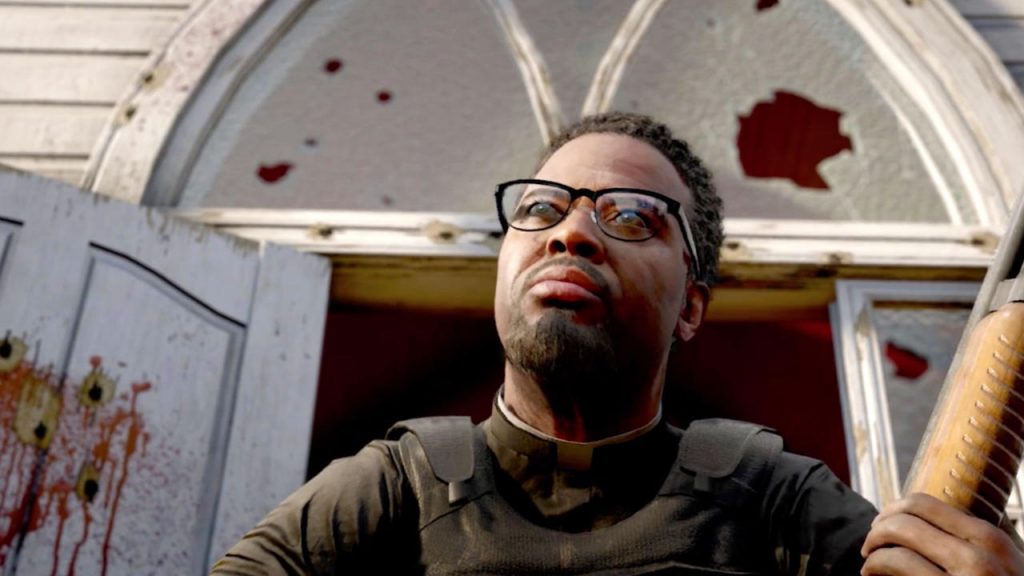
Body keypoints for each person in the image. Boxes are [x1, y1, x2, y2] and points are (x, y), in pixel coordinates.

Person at [211, 112, 1024, 575]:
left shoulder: (776, 502)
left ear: (692, 306)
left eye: (630, 216)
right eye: (539, 208)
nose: (570, 234)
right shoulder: (395, 490)